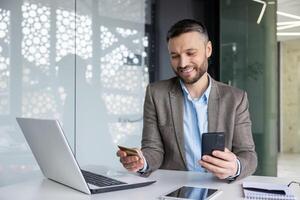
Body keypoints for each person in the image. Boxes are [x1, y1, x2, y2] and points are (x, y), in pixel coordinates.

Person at [117, 19, 257, 181]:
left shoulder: (236, 98)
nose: (182, 63)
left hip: (220, 188)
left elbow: (248, 155)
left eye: (191, 53)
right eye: (175, 56)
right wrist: (142, 162)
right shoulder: (156, 94)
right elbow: (153, 150)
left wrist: (236, 167)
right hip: (174, 189)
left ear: (208, 49)